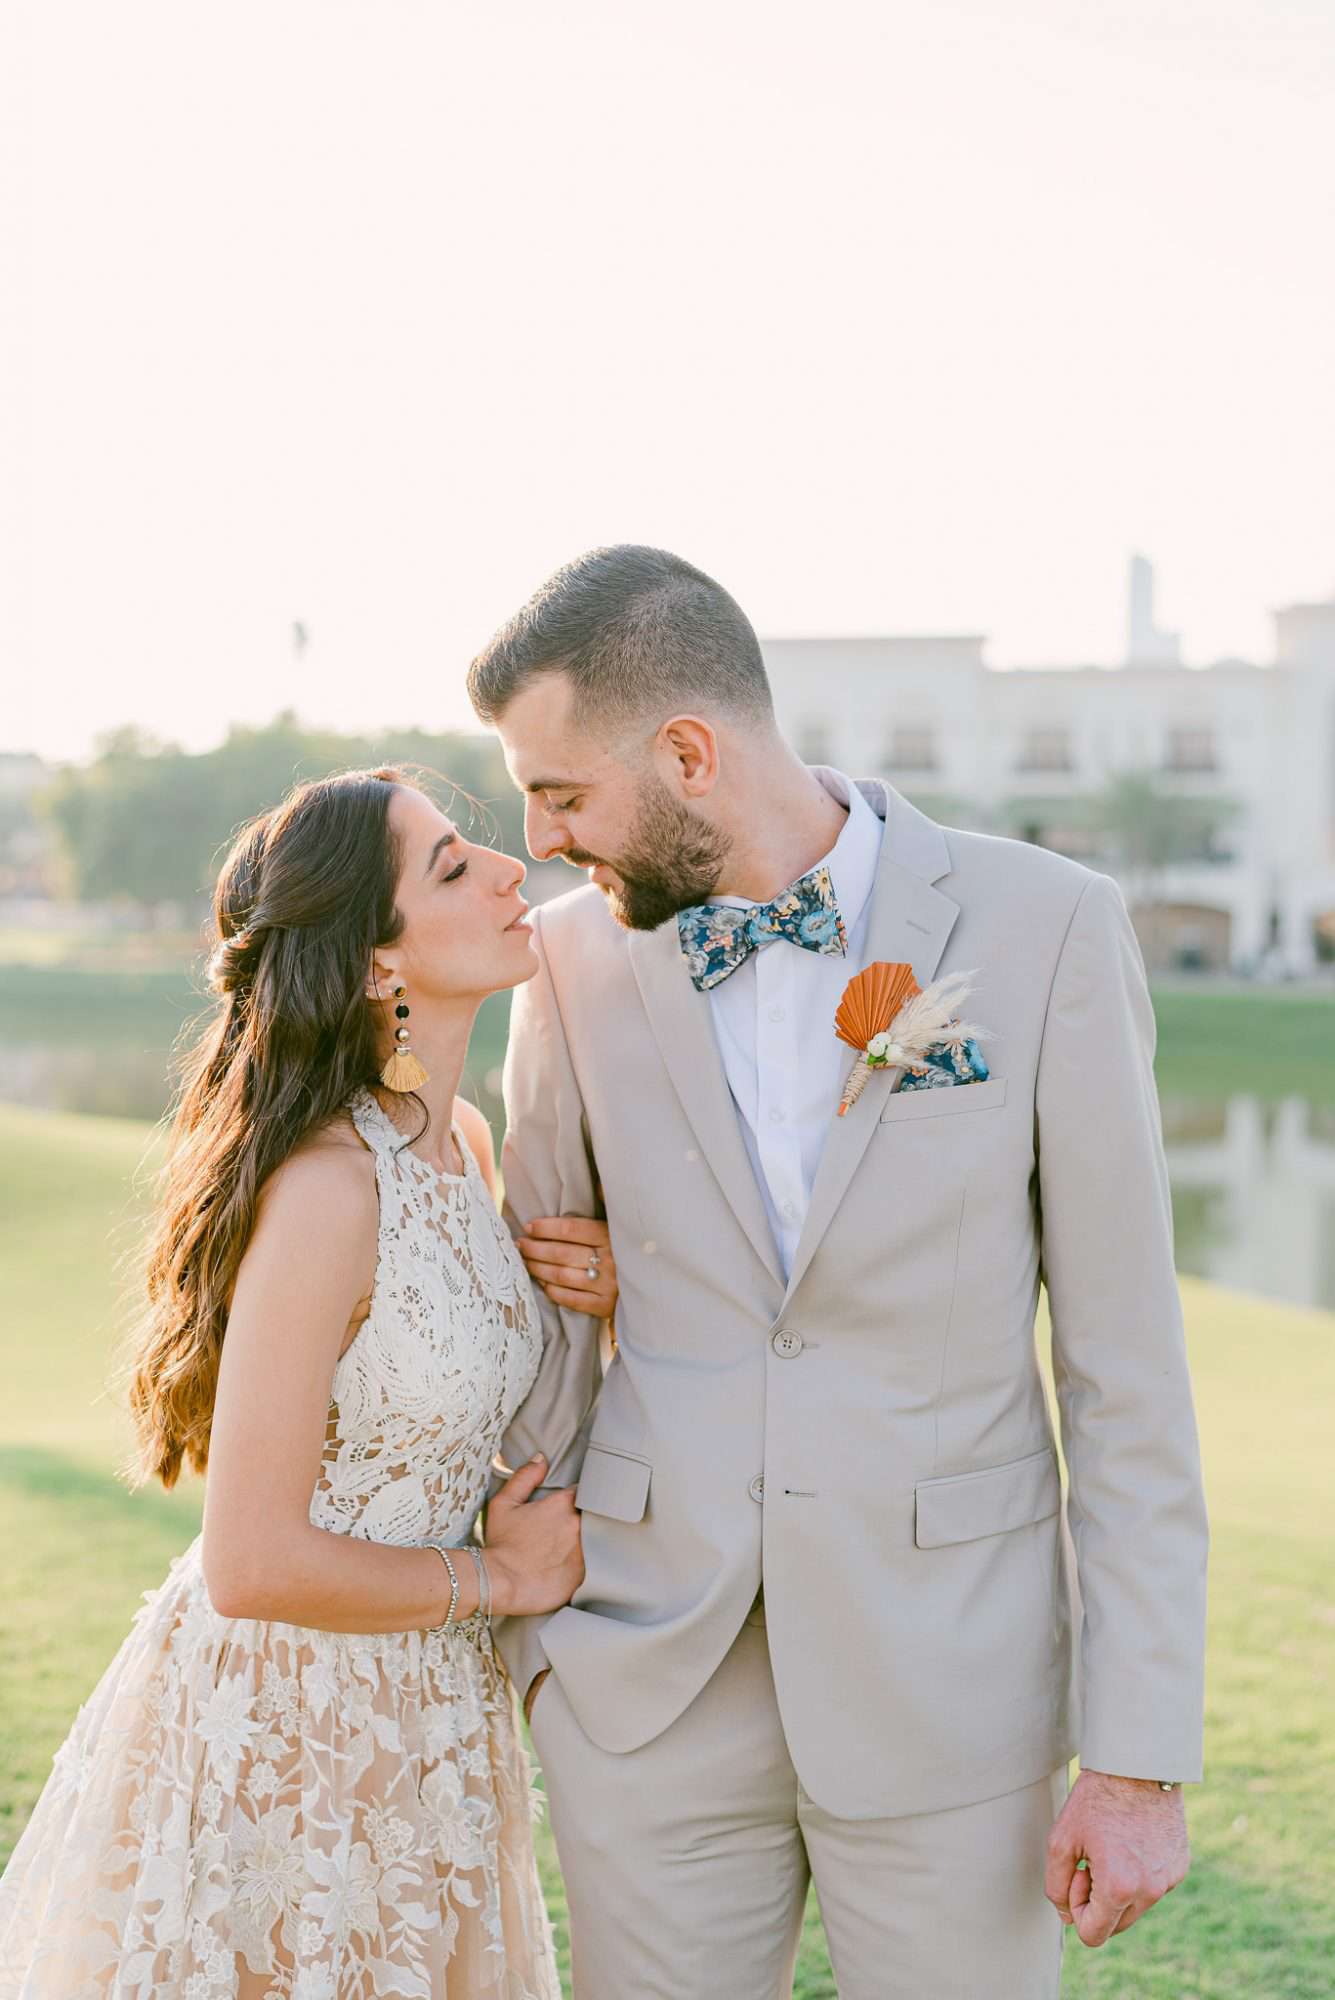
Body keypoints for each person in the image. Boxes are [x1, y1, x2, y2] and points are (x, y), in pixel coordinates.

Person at [466, 546, 1210, 2000]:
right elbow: (549, 1328)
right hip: (645, 1681)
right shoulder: (565, 963)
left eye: (560, 793)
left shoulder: (1045, 925)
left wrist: (1133, 1760)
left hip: (950, 1691)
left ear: (687, 752)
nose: (543, 838)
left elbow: (1122, 1368)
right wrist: (528, 1635)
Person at [0, 767, 616, 1999]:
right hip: (289, 1715)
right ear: (380, 963)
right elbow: (252, 1558)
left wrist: (597, 1293)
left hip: (428, 1713)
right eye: (452, 867)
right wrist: (498, 1575)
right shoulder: (330, 1187)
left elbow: (411, 1411)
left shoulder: (465, 1144)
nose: (510, 872)